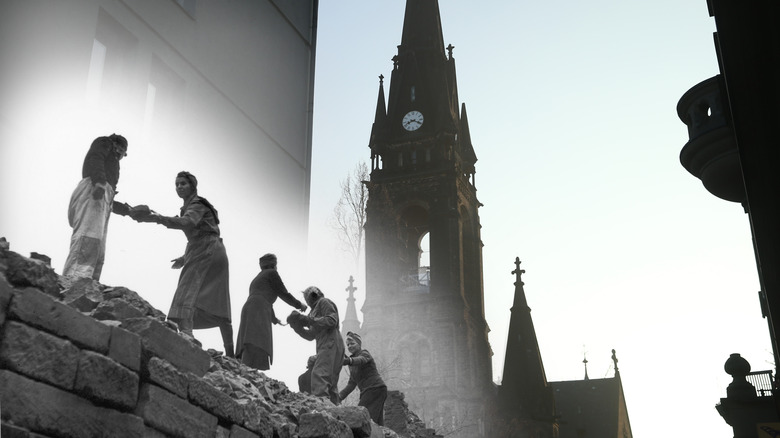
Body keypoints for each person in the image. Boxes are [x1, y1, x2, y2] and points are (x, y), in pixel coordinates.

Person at [135, 171, 233, 356]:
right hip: (212, 250)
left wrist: (157, 217)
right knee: (218, 301)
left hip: (207, 249)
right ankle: (231, 354)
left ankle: (187, 335)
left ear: (192, 186)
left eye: (183, 184)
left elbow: (188, 223)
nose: (179, 187)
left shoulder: (196, 204)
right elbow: (199, 232)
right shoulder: (194, 205)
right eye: (177, 184)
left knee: (186, 291)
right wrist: (184, 258)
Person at [63, 134, 133, 280]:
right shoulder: (105, 142)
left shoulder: (113, 162)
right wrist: (100, 182)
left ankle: (88, 283)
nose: (120, 155)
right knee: (87, 238)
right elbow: (96, 157)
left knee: (97, 246)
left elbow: (110, 201)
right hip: (93, 190)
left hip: (102, 198)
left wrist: (128, 210)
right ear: (117, 145)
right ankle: (73, 281)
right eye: (121, 150)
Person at [235, 253, 307, 370]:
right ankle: (248, 369)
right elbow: (283, 293)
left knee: (249, 337)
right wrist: (299, 305)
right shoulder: (272, 273)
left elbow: (263, 295)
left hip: (251, 308)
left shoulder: (258, 277)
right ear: (273, 264)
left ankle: (246, 368)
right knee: (255, 339)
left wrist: (274, 319)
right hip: (259, 308)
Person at [287, 286, 344, 404]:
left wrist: (308, 320)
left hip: (330, 341)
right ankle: (335, 409)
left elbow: (332, 321)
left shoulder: (324, 302)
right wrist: (296, 327)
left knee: (319, 375)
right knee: (330, 383)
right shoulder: (313, 311)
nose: (307, 299)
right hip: (326, 343)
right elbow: (310, 335)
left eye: (308, 295)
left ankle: (321, 406)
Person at [339, 332, 388, 425]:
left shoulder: (364, 353)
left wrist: (349, 361)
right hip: (370, 391)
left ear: (359, 344)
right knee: (376, 423)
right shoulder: (352, 364)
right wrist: (340, 396)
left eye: (352, 343)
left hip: (375, 388)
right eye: (348, 345)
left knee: (361, 417)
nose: (350, 346)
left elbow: (361, 360)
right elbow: (351, 384)